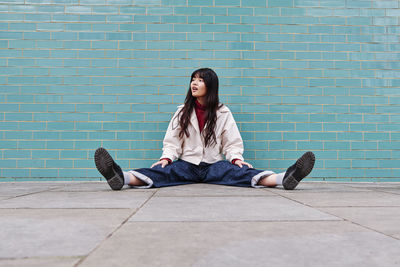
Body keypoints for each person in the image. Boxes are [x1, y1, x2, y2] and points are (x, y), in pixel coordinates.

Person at [94, 68, 315, 191]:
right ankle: (117, 175)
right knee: (159, 173)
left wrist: (236, 159)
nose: (194, 83)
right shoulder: (182, 111)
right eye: (192, 79)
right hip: (186, 165)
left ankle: (286, 177)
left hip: (213, 166)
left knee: (244, 174)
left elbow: (232, 142)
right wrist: (167, 159)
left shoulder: (223, 112)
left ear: (210, 85)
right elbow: (172, 141)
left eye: (199, 80)